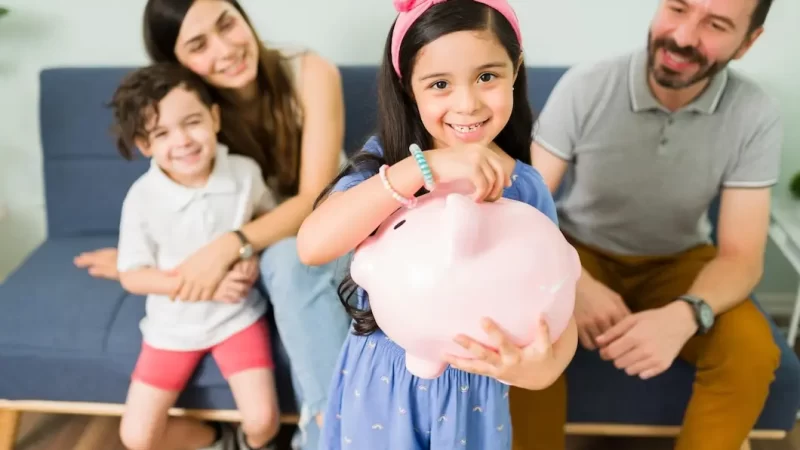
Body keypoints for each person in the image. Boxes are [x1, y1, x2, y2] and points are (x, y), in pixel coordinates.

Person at [296, 1, 578, 449]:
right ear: (409, 87)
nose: (467, 104)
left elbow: (559, 300)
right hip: (380, 388)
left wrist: (544, 368)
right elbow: (312, 246)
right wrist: (428, 166)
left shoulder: (523, 186)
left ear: (516, 69)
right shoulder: (384, 167)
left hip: (476, 396)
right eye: (440, 84)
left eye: (488, 77)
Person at [73, 0, 351, 445]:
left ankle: (333, 433)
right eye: (199, 44)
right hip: (257, 250)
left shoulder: (310, 72)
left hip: (321, 231)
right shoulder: (189, 113)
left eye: (228, 24)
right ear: (176, 63)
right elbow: (179, 205)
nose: (225, 50)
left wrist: (228, 246)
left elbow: (314, 201)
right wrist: (145, 264)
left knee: (288, 259)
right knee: (275, 259)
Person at [512, 0, 783, 449]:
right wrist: (572, 281)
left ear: (747, 43)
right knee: (525, 323)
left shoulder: (755, 114)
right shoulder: (587, 85)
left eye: (715, 25)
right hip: (579, 252)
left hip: (681, 261)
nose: (682, 37)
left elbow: (742, 255)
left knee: (752, 351)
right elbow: (523, 213)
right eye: (677, 8)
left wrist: (687, 313)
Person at [111, 63, 279, 450]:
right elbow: (133, 275)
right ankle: (214, 439)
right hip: (170, 329)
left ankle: (246, 443)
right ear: (145, 145)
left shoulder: (243, 172)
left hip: (237, 319)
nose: (183, 140)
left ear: (214, 117)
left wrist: (249, 253)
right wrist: (205, 284)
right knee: (136, 438)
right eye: (162, 133)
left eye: (192, 122)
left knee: (263, 422)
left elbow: (267, 219)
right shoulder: (142, 198)